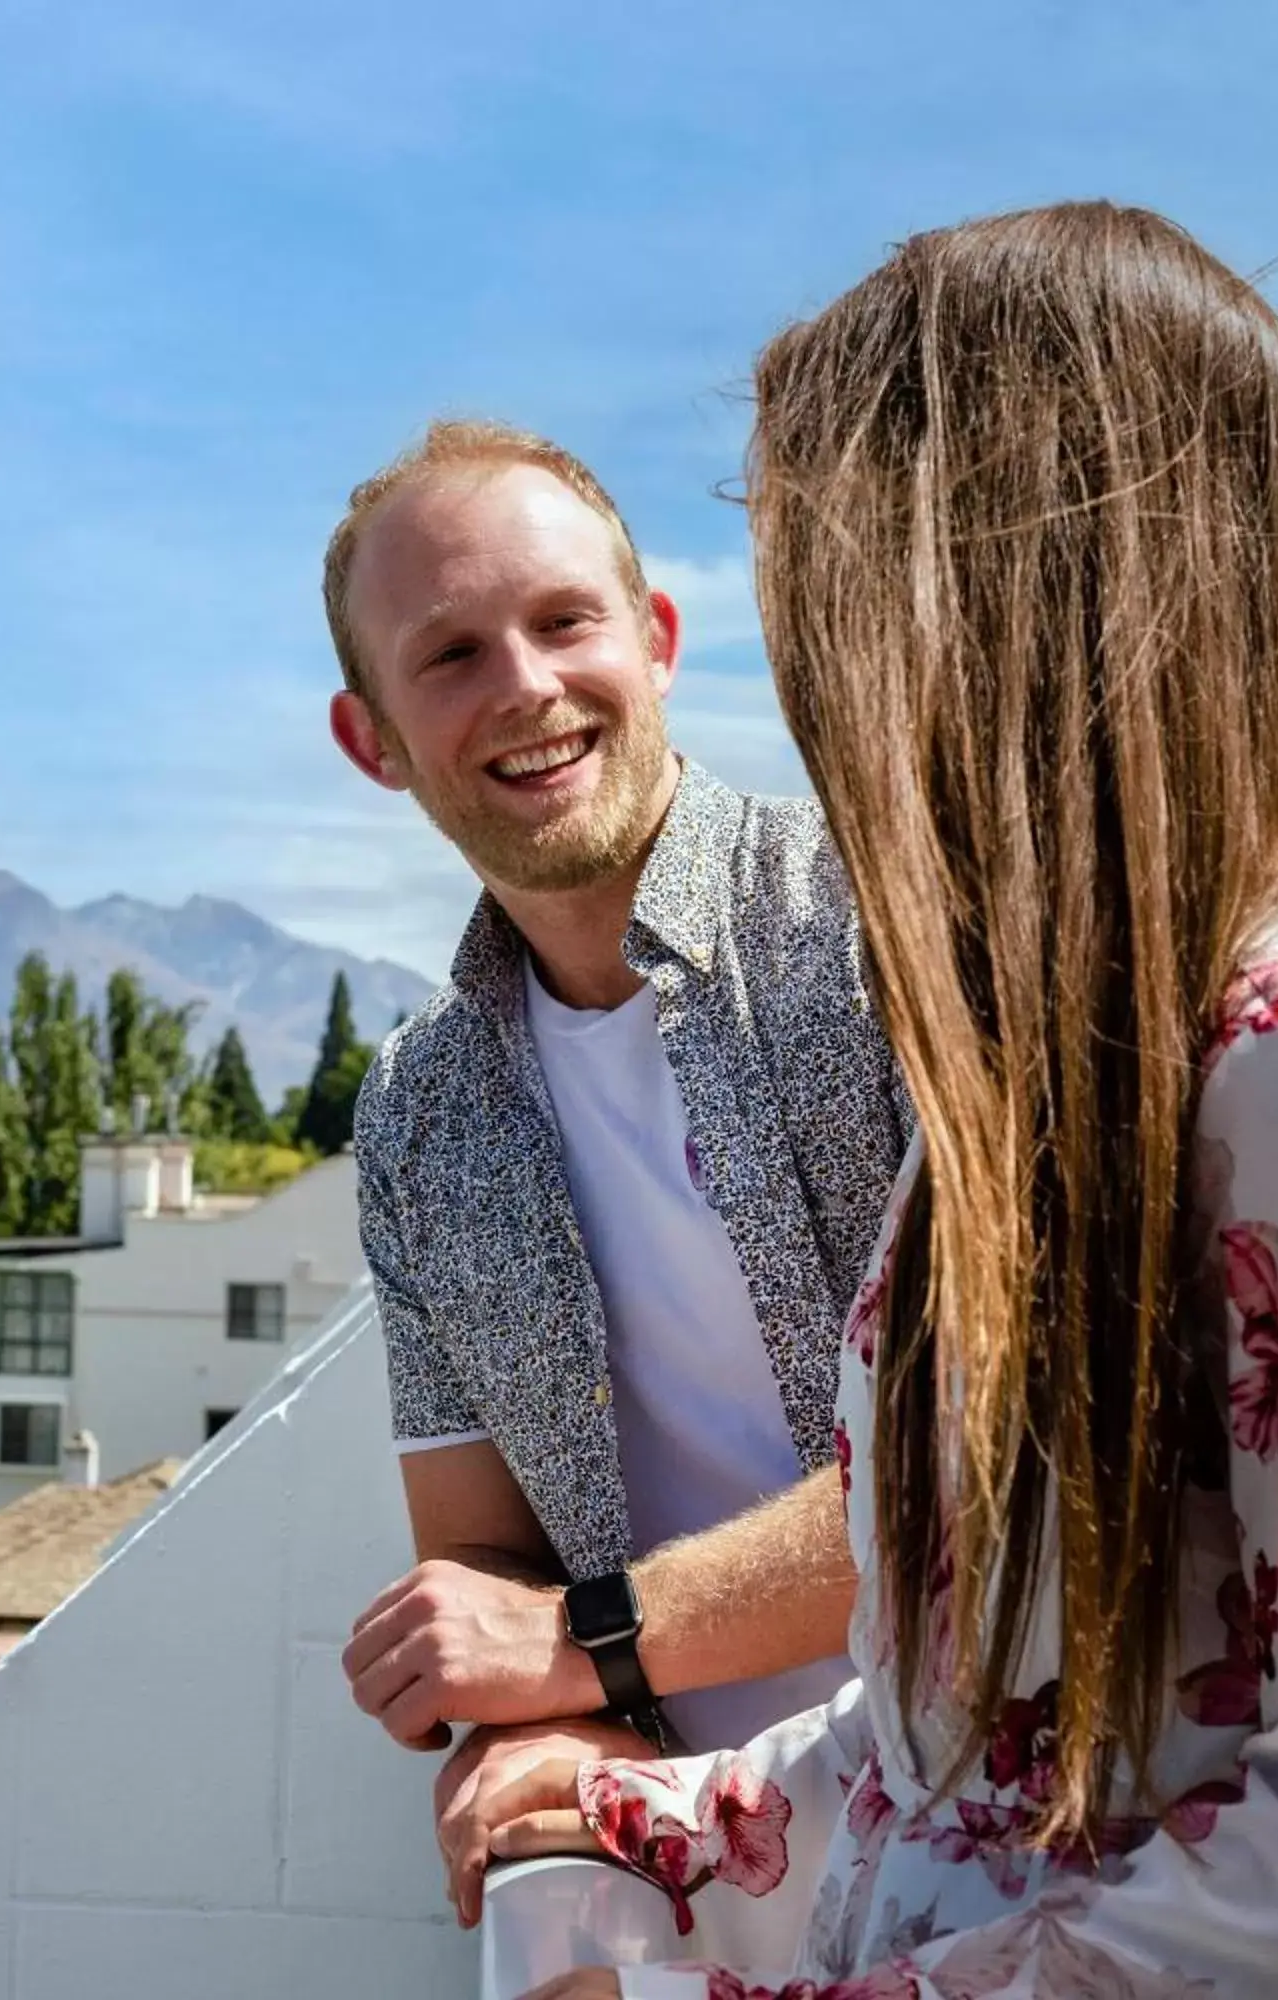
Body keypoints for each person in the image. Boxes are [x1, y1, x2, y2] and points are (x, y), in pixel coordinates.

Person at [481, 202, 1278, 1997]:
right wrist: (644, 1820)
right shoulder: (1081, 1055)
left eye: (834, 620)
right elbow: (971, 1739)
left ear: (1010, 602)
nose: (824, 708)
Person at [321, 419, 910, 1926]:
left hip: (1005, 1852)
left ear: (653, 641)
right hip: (698, 1879)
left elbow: (994, 1484)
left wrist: (579, 1652)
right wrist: (536, 1735)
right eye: (448, 654)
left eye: (563, 619)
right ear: (372, 739)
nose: (524, 684)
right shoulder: (417, 1118)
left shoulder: (887, 935)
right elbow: (483, 1577)